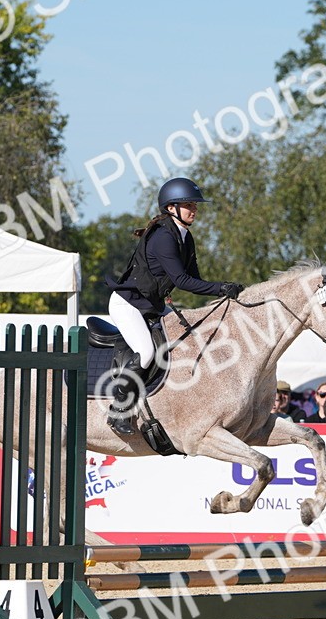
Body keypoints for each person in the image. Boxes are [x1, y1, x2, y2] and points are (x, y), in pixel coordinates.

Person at [104, 177, 245, 435]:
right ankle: (118, 410)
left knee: (188, 337)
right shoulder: (162, 237)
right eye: (189, 204)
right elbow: (182, 281)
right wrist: (221, 287)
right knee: (146, 352)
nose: (195, 209)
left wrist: (222, 289)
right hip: (128, 304)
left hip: (152, 305)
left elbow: (196, 280)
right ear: (171, 208)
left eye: (194, 204)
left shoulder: (185, 237)